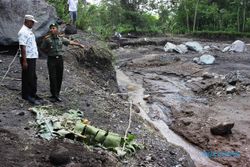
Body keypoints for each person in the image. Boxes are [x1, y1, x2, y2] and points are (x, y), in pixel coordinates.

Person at [40, 23, 84, 102]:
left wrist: (79, 44)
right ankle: (53, 95)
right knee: (52, 77)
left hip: (59, 59)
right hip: (51, 60)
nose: (52, 30)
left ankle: (57, 94)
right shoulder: (47, 39)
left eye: (53, 28)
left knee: (59, 77)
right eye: (51, 28)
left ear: (57, 29)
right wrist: (48, 52)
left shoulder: (61, 38)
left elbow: (70, 42)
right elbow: (42, 48)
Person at [18, 14, 41, 105]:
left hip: (32, 57)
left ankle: (33, 94)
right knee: (27, 77)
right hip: (27, 58)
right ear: (27, 21)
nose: (33, 24)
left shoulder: (28, 30)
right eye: (32, 22)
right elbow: (22, 47)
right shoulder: (23, 31)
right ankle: (26, 95)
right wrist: (24, 61)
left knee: (32, 76)